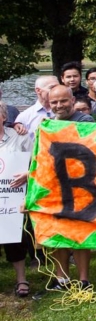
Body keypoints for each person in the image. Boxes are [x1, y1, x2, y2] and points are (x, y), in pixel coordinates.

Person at [43, 85, 96, 287]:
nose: (59, 105)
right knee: (58, 233)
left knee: (80, 233)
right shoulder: (48, 124)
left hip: (81, 185)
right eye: (54, 102)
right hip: (56, 187)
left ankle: (84, 280)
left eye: (63, 101)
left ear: (72, 100)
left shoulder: (85, 121)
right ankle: (61, 278)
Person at [0, 104, 34, 297]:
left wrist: (28, 173)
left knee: (15, 238)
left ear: (4, 117)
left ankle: (21, 279)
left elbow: (35, 160)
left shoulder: (19, 136)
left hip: (13, 197)